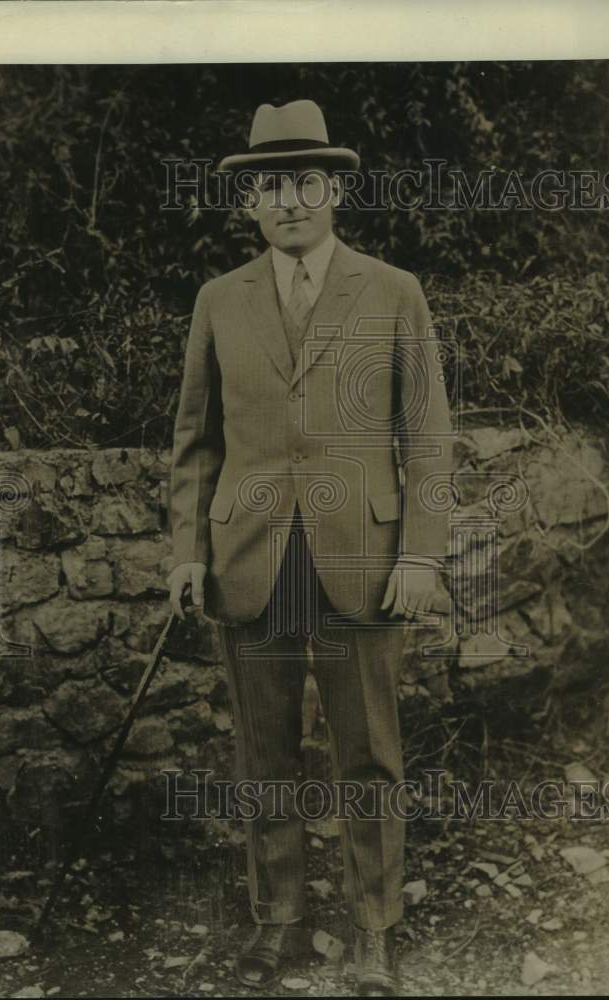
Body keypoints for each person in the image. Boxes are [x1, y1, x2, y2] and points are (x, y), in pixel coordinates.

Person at [167, 99, 453, 996]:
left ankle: (373, 929)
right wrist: (185, 551)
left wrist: (419, 556)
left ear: (334, 191)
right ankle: (278, 919)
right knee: (263, 753)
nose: (287, 199)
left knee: (367, 752)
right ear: (248, 202)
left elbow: (429, 435)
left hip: (360, 563)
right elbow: (195, 442)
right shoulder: (219, 300)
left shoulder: (391, 290)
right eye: (267, 185)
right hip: (248, 559)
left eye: (304, 181)